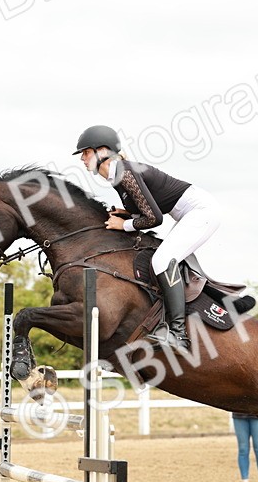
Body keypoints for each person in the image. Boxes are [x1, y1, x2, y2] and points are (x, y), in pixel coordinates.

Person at [73, 124, 221, 354]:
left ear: (102, 151)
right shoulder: (116, 176)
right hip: (189, 213)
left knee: (162, 261)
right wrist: (126, 214)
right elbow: (144, 209)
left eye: (85, 152)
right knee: (164, 258)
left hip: (202, 212)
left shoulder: (124, 172)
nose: (82, 159)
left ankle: (178, 334)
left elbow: (154, 218)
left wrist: (124, 224)